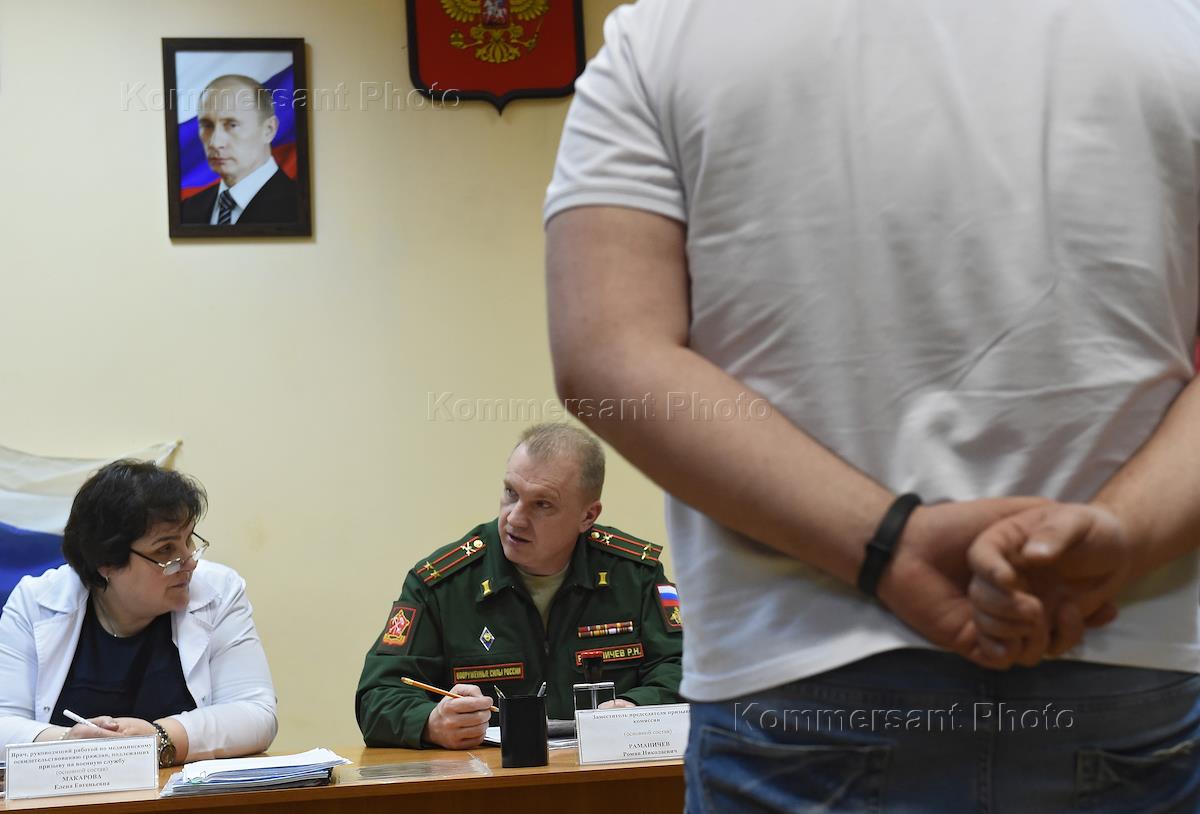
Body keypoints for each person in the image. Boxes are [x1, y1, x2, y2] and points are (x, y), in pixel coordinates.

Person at [543, 1, 1200, 811]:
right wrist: (1121, 538)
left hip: (797, 685)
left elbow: (607, 354)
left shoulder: (665, 37)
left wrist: (893, 547)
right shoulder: (1179, 27)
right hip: (1128, 663)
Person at [356, 423, 683, 749]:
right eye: (511, 493)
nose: (514, 518)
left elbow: (685, 667)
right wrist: (431, 722)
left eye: (542, 504)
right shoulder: (442, 585)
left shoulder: (635, 576)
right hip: (492, 777)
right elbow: (378, 694)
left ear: (587, 516)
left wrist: (635, 707)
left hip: (606, 772)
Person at [0, 461, 277, 766]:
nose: (190, 562)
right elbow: (3, 723)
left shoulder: (219, 590)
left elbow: (256, 713)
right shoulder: (34, 602)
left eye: (188, 540)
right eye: (165, 550)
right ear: (106, 563)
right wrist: (69, 743)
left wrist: (160, 737)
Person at [179, 74, 298, 226]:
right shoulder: (187, 211)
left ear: (269, 130)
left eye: (232, 125)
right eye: (207, 125)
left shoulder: (299, 207)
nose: (215, 142)